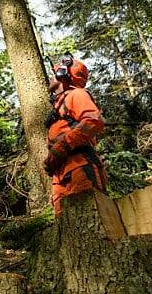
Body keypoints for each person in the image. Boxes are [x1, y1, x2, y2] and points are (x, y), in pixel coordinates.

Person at [44, 54, 107, 215]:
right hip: (60, 173)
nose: (51, 77)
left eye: (55, 73)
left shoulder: (76, 94)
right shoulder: (58, 108)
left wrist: (65, 145)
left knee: (91, 216)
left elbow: (94, 121)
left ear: (63, 74)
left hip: (80, 165)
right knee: (66, 226)